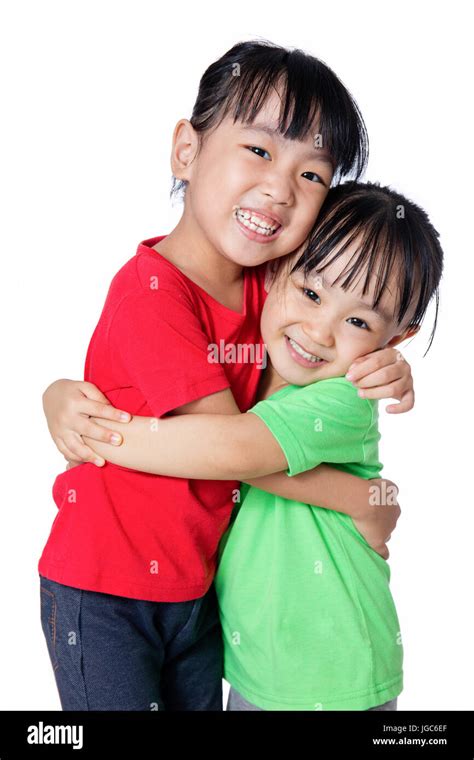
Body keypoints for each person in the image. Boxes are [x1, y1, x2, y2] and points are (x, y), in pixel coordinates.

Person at [39, 41, 413, 711]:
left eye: (314, 175)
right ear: (187, 150)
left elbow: (334, 333)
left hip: (202, 588)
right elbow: (230, 450)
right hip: (109, 590)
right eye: (261, 151)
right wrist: (357, 498)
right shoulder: (152, 293)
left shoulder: (283, 298)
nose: (280, 188)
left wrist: (385, 364)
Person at [78, 181, 443, 710]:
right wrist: (61, 396)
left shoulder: (343, 397)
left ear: (396, 339)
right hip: (257, 668)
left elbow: (233, 452)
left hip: (330, 673)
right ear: (276, 270)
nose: (319, 331)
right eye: (313, 293)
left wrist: (104, 433)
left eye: (359, 321)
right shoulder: (246, 367)